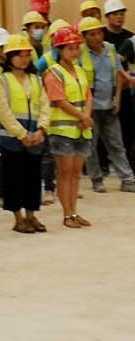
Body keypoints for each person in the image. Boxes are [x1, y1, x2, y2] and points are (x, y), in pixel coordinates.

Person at [0, 35, 50, 234]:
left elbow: (45, 105)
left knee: (33, 177)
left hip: (35, 137)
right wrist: (22, 134)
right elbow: (3, 111)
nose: (23, 59)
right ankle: (18, 218)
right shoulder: (1, 81)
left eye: (26, 55)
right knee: (14, 178)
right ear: (9, 57)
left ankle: (31, 214)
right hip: (12, 138)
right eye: (19, 55)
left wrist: (41, 129)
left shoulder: (36, 80)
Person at [78, 17, 135, 192]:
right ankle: (97, 179)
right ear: (84, 37)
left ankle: (127, 179)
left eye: (99, 33)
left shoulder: (110, 48)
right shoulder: (79, 53)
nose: (97, 37)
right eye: (92, 34)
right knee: (91, 145)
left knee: (117, 144)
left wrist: (117, 98)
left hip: (109, 104)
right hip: (90, 108)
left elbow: (118, 73)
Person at [44, 26, 93, 228]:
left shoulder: (80, 71)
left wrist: (86, 117)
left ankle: (74, 212)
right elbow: (59, 100)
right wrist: (82, 116)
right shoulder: (53, 73)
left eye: (76, 47)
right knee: (65, 173)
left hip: (82, 128)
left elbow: (88, 96)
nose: (74, 51)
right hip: (62, 131)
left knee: (76, 173)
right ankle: (67, 215)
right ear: (59, 50)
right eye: (69, 48)